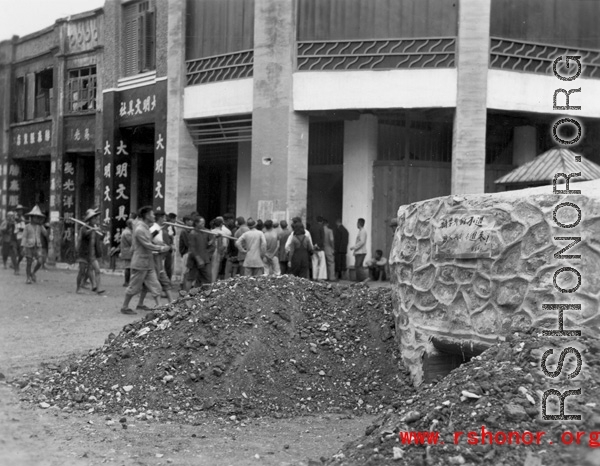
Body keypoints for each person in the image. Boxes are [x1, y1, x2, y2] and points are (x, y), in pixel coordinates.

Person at [120, 206, 172, 315]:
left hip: (148, 263)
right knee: (134, 287)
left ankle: (159, 307)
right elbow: (147, 244)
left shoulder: (146, 227)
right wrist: (160, 248)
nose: (154, 216)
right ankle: (124, 307)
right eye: (152, 214)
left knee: (155, 285)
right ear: (147, 215)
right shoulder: (140, 229)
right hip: (139, 263)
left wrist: (159, 244)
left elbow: (150, 241)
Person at [136, 211, 174, 310]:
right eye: (164, 218)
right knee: (154, 281)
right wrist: (161, 247)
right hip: (153, 258)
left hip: (159, 258)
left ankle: (171, 303)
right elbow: (148, 241)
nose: (165, 220)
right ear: (160, 218)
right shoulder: (153, 228)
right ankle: (160, 304)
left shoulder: (160, 229)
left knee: (161, 280)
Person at [76, 208, 104, 294]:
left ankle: (98, 288)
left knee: (97, 270)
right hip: (84, 254)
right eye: (94, 218)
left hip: (92, 254)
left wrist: (100, 232)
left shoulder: (96, 228)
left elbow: (100, 239)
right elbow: (85, 234)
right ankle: (78, 288)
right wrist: (92, 230)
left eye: (96, 218)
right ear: (90, 219)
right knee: (82, 271)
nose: (96, 220)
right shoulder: (84, 228)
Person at [186, 216, 216, 289]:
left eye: (204, 223)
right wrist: (198, 258)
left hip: (205, 259)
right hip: (194, 259)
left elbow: (210, 244)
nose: (203, 225)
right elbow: (192, 248)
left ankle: (204, 295)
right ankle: (185, 296)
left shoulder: (206, 232)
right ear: (196, 223)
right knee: (190, 277)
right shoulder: (193, 233)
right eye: (202, 223)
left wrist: (215, 238)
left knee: (208, 278)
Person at [20, 206, 48, 285]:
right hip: (29, 246)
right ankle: (28, 277)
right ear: (31, 217)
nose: (37, 219)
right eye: (35, 217)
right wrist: (23, 247)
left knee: (40, 261)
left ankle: (33, 272)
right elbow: (24, 237)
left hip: (38, 246)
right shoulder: (27, 227)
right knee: (29, 263)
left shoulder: (40, 227)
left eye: (38, 217)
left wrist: (41, 225)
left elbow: (45, 234)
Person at [210, 216, 230, 282]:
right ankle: (212, 283)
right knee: (215, 268)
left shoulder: (210, 231)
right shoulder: (223, 233)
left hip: (210, 251)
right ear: (221, 224)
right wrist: (222, 253)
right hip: (217, 251)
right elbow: (224, 245)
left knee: (210, 267)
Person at [178, 215, 193, 288]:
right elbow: (188, 243)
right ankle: (183, 287)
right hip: (186, 253)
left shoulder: (189, 230)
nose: (191, 222)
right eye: (190, 220)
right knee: (185, 271)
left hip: (188, 252)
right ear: (186, 221)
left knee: (187, 270)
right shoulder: (184, 231)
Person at [119, 219, 134, 286]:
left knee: (128, 266)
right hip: (128, 251)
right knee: (128, 267)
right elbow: (132, 242)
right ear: (129, 225)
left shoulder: (127, 231)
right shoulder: (127, 233)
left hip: (127, 251)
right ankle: (126, 282)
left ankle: (127, 281)